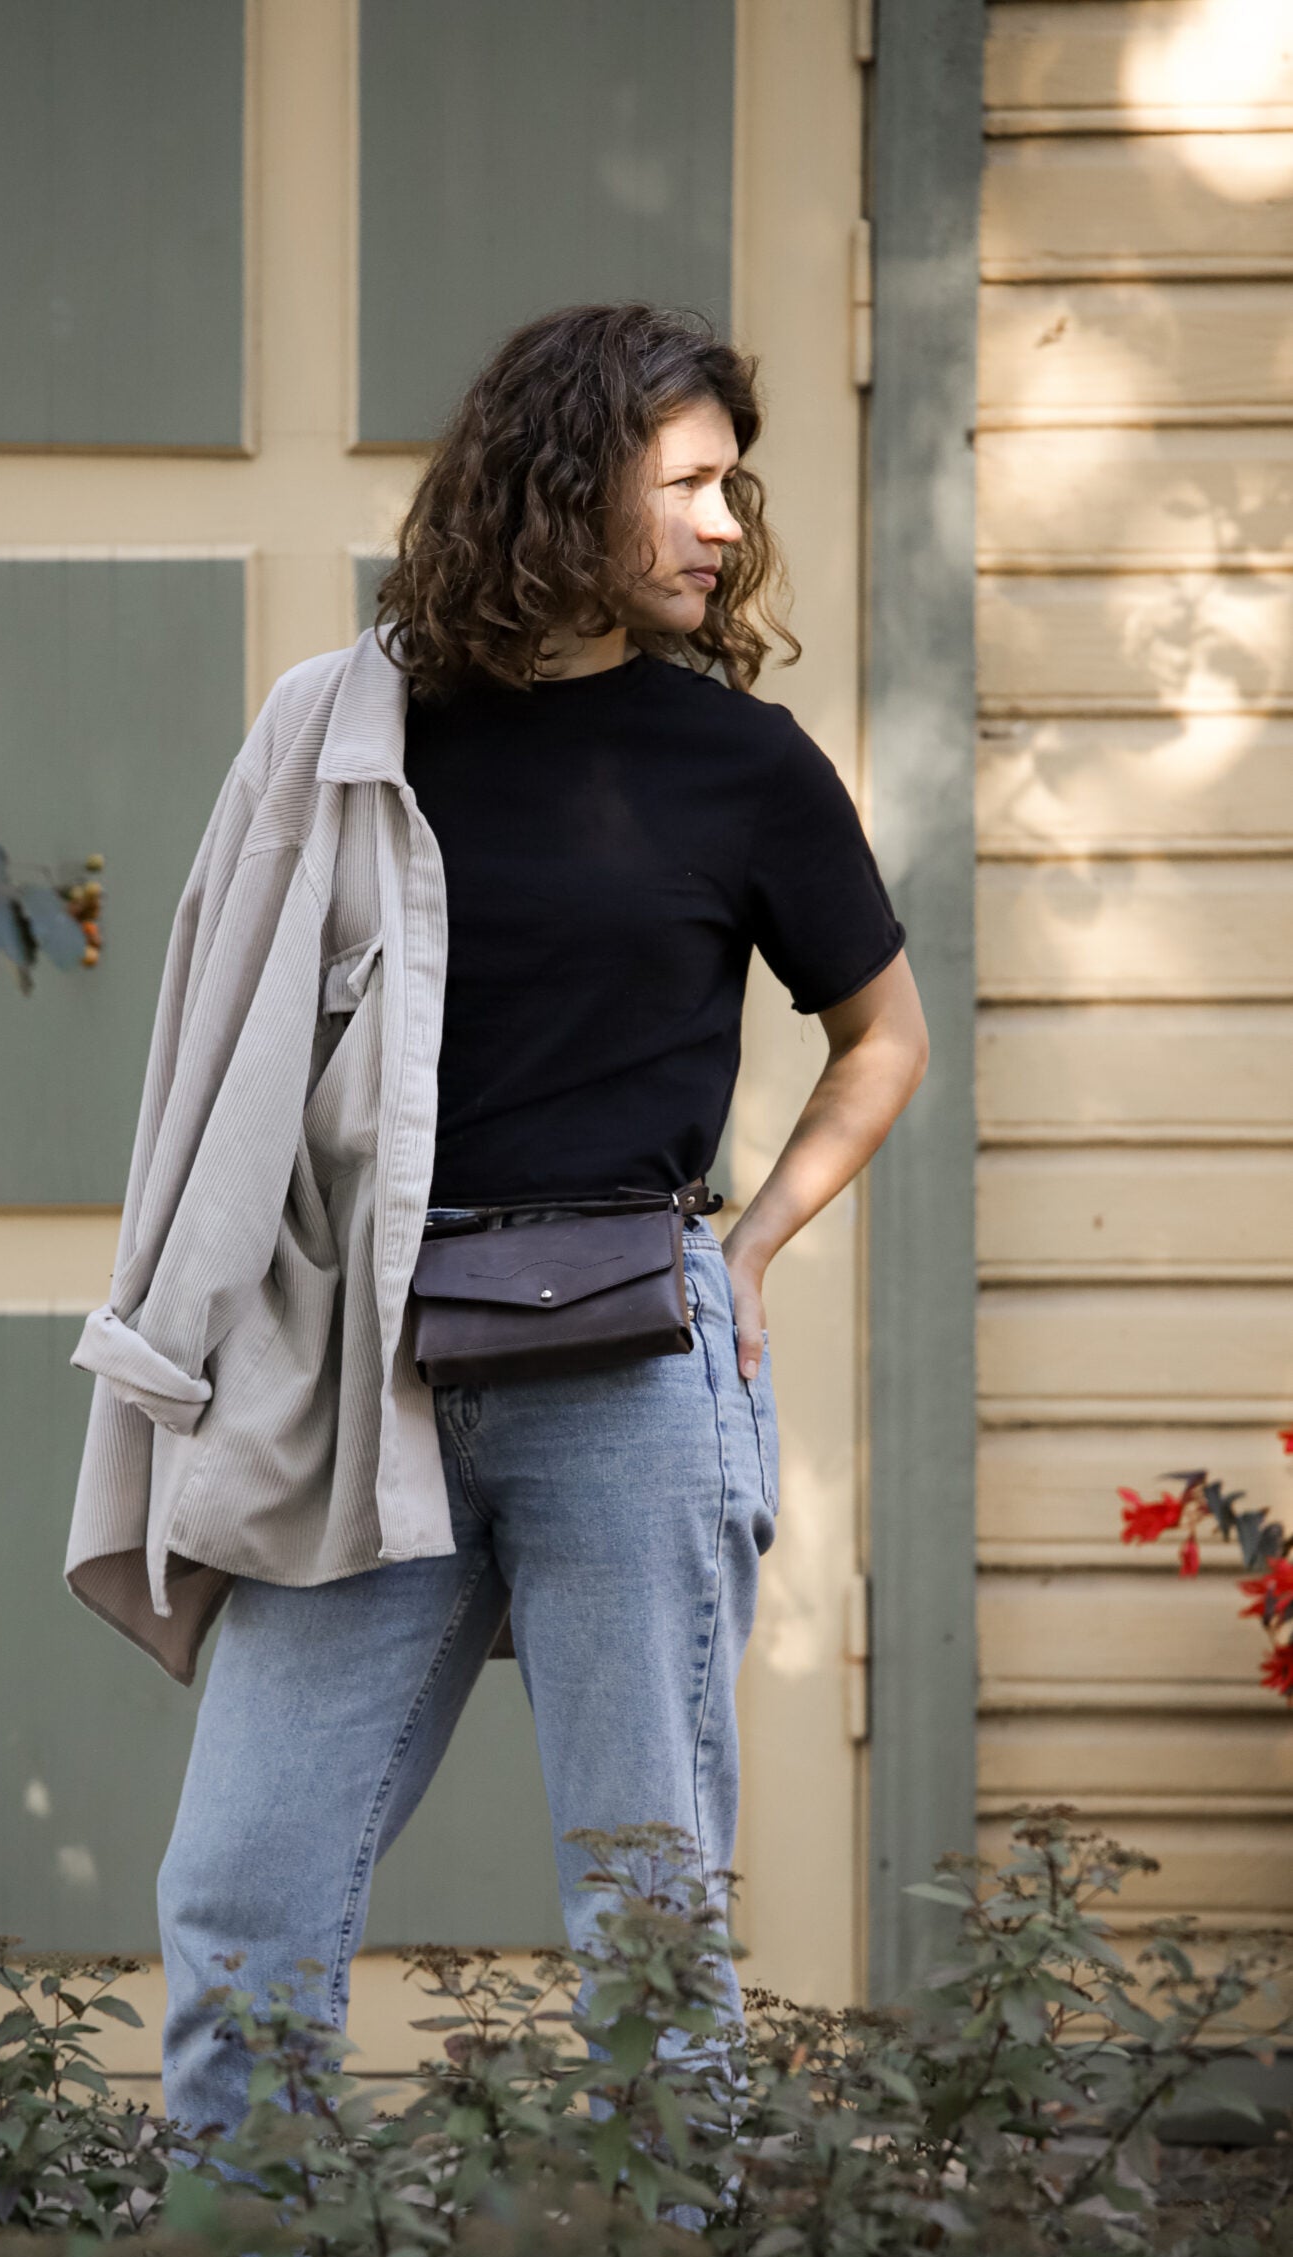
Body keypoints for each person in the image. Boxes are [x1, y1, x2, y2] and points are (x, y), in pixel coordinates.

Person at [65, 303, 929, 2143]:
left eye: (732, 486)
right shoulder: (355, 734)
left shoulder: (741, 767)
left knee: (648, 1918)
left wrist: (752, 1242)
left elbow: (884, 1040)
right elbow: (226, 1053)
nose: (724, 522)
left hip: (634, 1372)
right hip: (361, 1373)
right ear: (569, 481)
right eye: (687, 482)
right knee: (238, 1900)